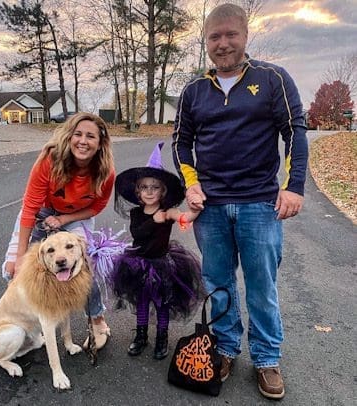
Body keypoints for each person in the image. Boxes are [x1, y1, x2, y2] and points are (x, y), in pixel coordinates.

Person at [171, 3, 308, 400]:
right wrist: (191, 186)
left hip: (259, 205)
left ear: (246, 36)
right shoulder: (194, 90)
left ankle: (266, 358)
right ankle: (226, 348)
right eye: (215, 36)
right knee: (218, 282)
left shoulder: (272, 79)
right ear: (206, 41)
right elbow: (182, 143)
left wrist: (294, 185)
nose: (223, 43)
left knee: (262, 286)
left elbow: (295, 131)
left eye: (231, 34)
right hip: (210, 209)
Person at [3, 112, 116, 350]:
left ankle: (98, 321)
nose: (83, 141)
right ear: (69, 136)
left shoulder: (105, 171)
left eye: (91, 136)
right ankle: (23, 319)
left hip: (76, 217)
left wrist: (65, 218)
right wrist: (20, 255)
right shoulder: (49, 159)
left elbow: (96, 206)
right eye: (78, 134)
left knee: (87, 267)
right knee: (13, 269)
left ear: (100, 142)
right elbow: (30, 207)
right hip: (41, 212)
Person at [111, 142, 203, 360]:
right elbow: (138, 233)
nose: (149, 191)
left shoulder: (168, 211)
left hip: (163, 265)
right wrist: (154, 220)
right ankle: (141, 336)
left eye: (155, 187)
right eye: (144, 187)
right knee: (142, 301)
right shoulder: (136, 213)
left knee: (163, 303)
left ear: (163, 191)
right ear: (138, 191)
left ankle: (162, 337)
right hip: (138, 264)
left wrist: (194, 209)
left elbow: (184, 218)